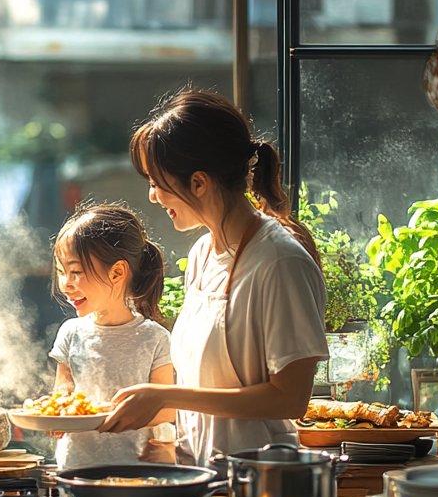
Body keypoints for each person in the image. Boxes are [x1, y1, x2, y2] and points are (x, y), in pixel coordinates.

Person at [98, 88, 328, 465]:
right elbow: (205, 392)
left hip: (262, 485)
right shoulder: (203, 254)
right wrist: (171, 448)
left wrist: (165, 396)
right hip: (207, 477)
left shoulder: (279, 262)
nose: (153, 196)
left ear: (199, 183)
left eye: (157, 182)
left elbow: (290, 397)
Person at [47, 203, 176, 470]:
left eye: (76, 272)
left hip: (137, 468)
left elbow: (167, 408)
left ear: (117, 272)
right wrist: (56, 416)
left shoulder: (155, 338)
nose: (66, 285)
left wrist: (123, 416)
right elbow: (63, 394)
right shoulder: (70, 333)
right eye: (61, 273)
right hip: (75, 468)